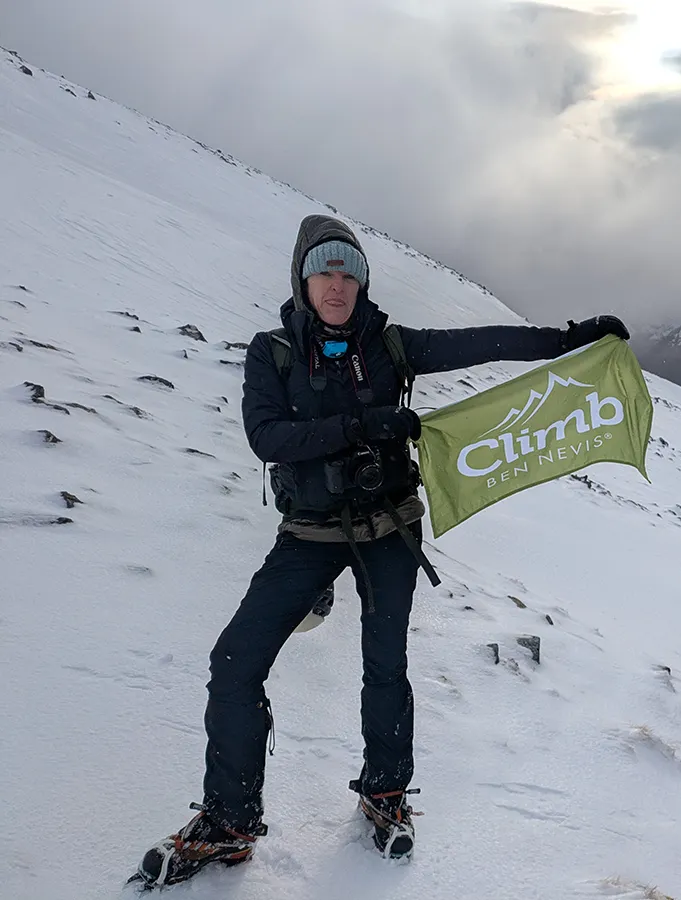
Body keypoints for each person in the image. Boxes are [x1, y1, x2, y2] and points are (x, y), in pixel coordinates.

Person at [133, 214, 628, 887]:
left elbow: (483, 342)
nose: (337, 285)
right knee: (235, 660)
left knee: (385, 662)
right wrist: (366, 423)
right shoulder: (272, 351)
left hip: (389, 527)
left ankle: (385, 793)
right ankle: (230, 820)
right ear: (303, 279)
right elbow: (270, 438)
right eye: (324, 271)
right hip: (308, 533)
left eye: (348, 272)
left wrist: (570, 340)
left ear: (362, 282)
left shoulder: (392, 344)